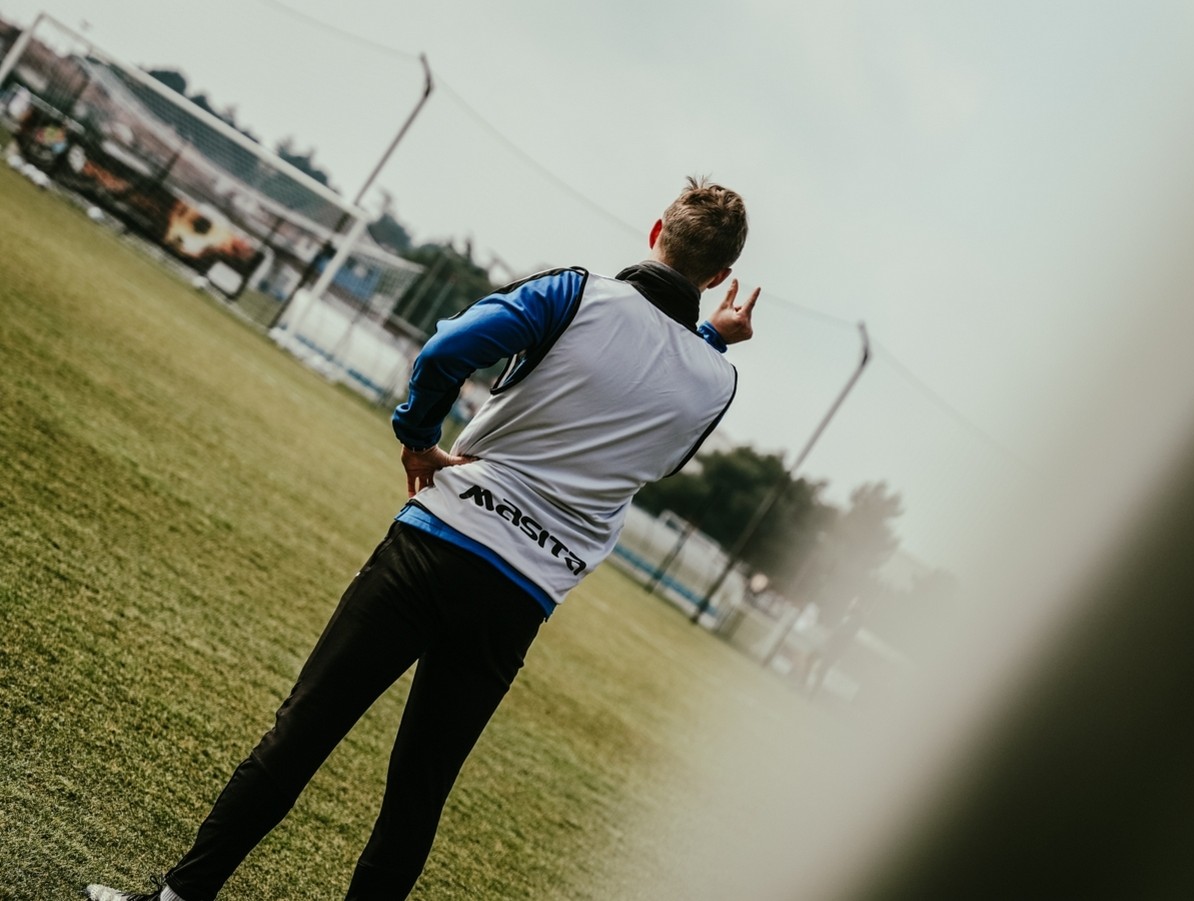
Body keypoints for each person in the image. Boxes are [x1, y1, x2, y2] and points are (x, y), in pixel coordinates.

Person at [85, 175, 758, 901]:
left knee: (304, 731)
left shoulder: (575, 293)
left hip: (439, 543)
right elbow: (649, 404)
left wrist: (416, 437)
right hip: (521, 596)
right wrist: (710, 339)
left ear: (656, 232)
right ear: (718, 276)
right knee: (417, 795)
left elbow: (445, 350)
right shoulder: (716, 382)